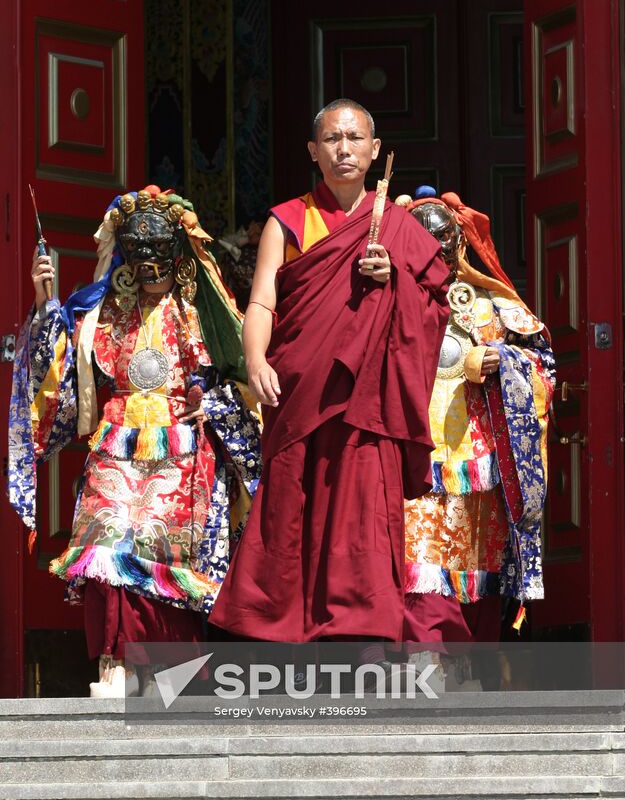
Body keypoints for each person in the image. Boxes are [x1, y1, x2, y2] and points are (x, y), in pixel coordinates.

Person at [209, 100, 449, 642]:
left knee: (361, 508)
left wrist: (394, 280)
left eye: (355, 139)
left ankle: (359, 632)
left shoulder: (400, 225)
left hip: (368, 396)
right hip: (301, 387)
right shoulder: (286, 220)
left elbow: (436, 306)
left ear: (375, 151)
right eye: (333, 140)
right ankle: (275, 631)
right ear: (313, 152)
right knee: (290, 505)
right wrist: (253, 361)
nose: (344, 149)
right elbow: (262, 302)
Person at [8, 185, 262, 695]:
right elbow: (61, 370)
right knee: (106, 542)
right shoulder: (105, 309)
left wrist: (207, 400)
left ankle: (168, 670)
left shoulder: (201, 309)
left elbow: (237, 379)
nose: (149, 274)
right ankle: (114, 660)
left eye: (159, 263)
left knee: (167, 555)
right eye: (140, 262)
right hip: (117, 440)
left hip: (184, 445)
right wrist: (45, 304)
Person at [399, 188, 555, 648]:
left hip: (479, 466)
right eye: (422, 240)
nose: (435, 250)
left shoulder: (492, 306)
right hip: (414, 461)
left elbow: (542, 366)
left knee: (474, 571)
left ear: (459, 243)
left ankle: (470, 672)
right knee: (417, 569)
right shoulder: (389, 304)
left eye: (444, 240)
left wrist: (500, 362)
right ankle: (421, 668)